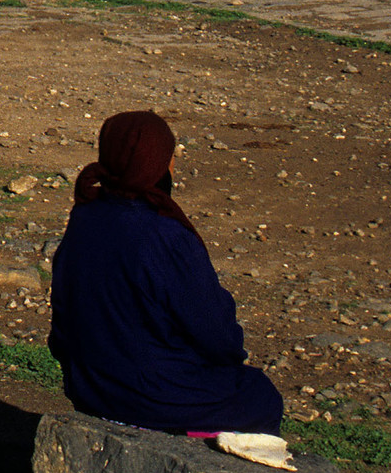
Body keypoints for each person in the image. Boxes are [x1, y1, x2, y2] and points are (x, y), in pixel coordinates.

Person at [49, 109, 282, 436]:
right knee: (260, 396)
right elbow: (216, 334)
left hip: (89, 388)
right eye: (169, 157)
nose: (172, 166)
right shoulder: (166, 235)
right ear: (155, 164)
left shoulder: (85, 217)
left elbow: (63, 320)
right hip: (151, 396)